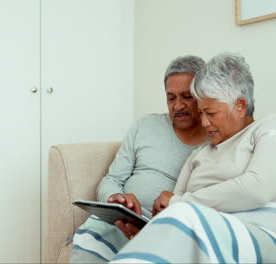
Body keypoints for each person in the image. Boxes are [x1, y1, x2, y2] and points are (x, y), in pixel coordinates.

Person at [109, 53, 276, 263]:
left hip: (272, 237)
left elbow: (256, 188)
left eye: (210, 114)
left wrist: (179, 205)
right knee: (99, 232)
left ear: (240, 106)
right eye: (201, 113)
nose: (203, 123)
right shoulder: (200, 155)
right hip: (208, 237)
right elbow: (174, 211)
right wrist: (151, 228)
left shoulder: (270, 129)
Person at [70, 55, 208, 263]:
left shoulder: (214, 143)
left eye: (186, 96)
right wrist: (116, 199)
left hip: (165, 229)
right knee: (91, 235)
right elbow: (112, 179)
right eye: (171, 98)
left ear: (203, 95)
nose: (178, 106)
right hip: (120, 221)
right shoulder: (145, 125)